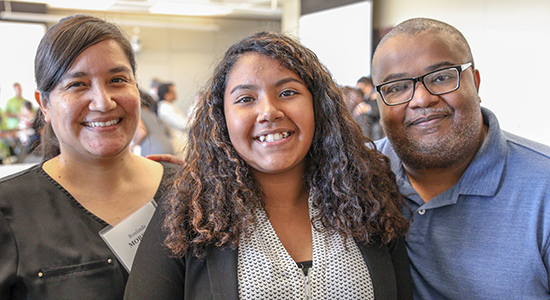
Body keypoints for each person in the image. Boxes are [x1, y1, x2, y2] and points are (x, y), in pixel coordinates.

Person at [124, 31, 412, 299]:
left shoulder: (369, 196)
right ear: (222, 118)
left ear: (317, 105)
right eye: (246, 99)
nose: (268, 112)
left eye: (287, 93)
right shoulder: (188, 212)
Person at [0, 15, 179, 299]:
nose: (103, 102)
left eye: (117, 80)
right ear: (44, 104)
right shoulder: (10, 210)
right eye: (77, 85)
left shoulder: (188, 191)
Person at [371, 17, 550, 299]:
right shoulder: (354, 175)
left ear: (475, 84)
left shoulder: (543, 188)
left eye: (441, 78)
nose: (421, 99)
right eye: (397, 87)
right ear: (379, 102)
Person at [133, 90, 174, 157]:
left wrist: (132, 146)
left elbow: (142, 133)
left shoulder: (137, 113)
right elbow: (166, 131)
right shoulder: (152, 114)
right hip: (168, 147)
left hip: (153, 151)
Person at [157, 83, 188, 154]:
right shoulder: (165, 108)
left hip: (181, 141)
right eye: (173, 92)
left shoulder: (168, 106)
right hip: (179, 143)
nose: (175, 93)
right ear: (166, 95)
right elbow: (184, 125)